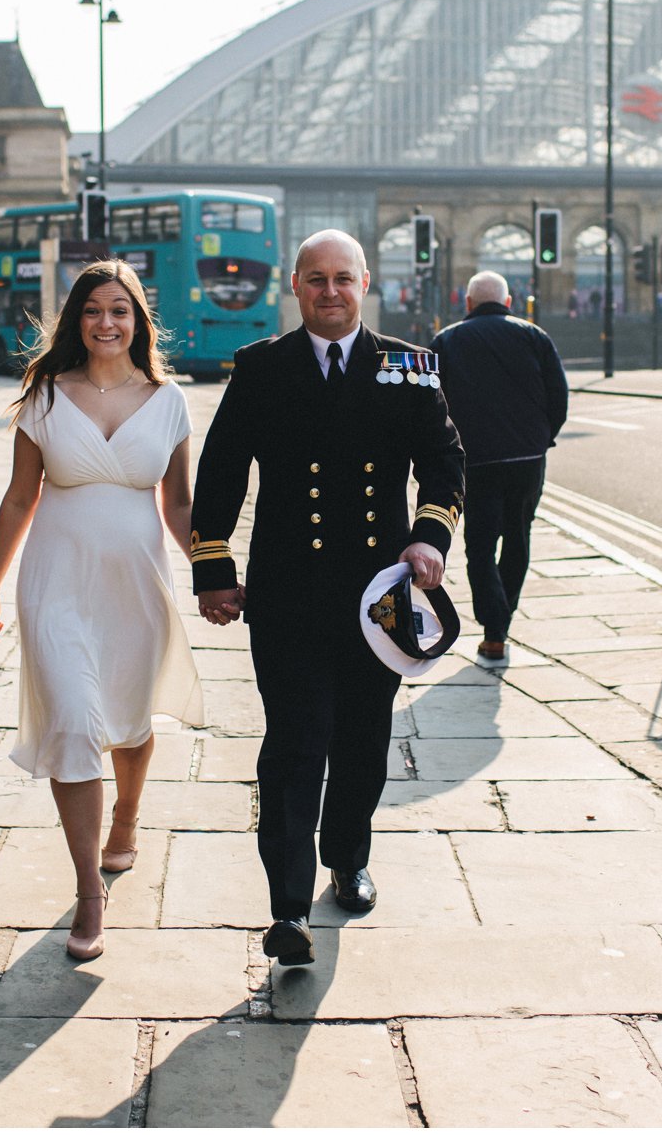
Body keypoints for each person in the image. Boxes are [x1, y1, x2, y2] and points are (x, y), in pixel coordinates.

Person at [190, 229, 464, 967]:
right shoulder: (260, 369)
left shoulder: (410, 367)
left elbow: (444, 461)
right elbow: (220, 474)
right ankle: (286, 907)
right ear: (295, 285)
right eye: (316, 279)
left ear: (365, 281)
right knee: (292, 745)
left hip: (377, 598)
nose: (331, 291)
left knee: (361, 743)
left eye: (343, 277)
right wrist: (213, 567)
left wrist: (430, 537)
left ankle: (347, 857)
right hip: (285, 593)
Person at [0, 260, 203, 962]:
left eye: (120, 311)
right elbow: (21, 497)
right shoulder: (45, 394)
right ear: (76, 321)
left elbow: (178, 502)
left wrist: (216, 574)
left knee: (130, 724)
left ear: (139, 321)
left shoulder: (169, 401)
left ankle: (127, 816)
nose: (107, 324)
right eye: (93, 312)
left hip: (135, 584)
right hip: (57, 585)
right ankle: (88, 892)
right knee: (74, 725)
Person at [430, 271, 568, 662]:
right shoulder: (534, 335)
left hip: (476, 460)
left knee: (480, 545)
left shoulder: (447, 340)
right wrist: (543, 438)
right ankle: (500, 622)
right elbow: (559, 395)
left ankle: (494, 630)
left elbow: (432, 402)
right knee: (518, 536)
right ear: (509, 303)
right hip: (527, 458)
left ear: (468, 303)